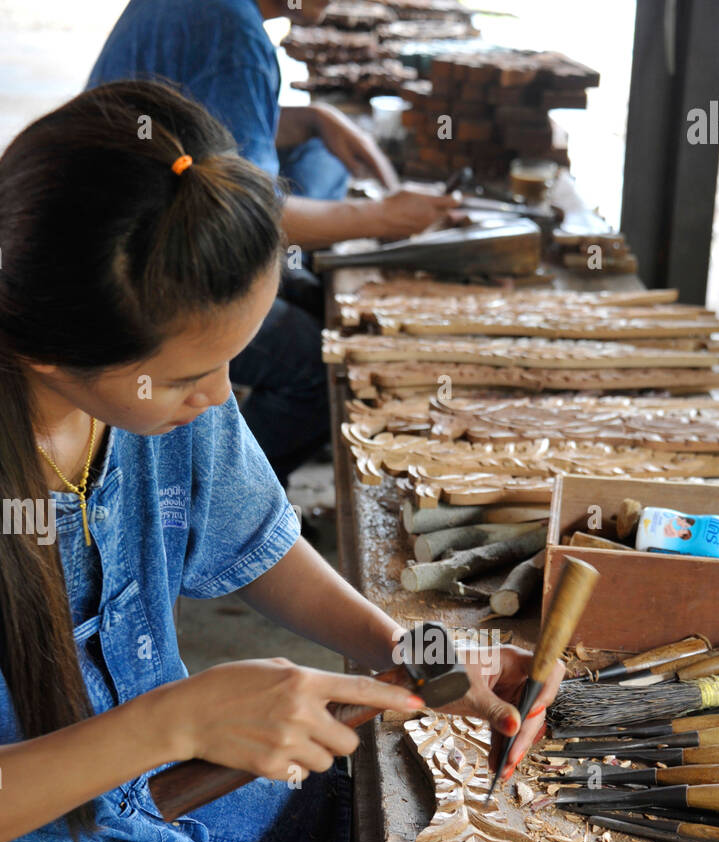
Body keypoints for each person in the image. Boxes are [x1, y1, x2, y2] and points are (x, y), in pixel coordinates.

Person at [0, 82, 560, 842]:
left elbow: (272, 555)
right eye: (193, 374)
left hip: (158, 803)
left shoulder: (153, 401)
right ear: (39, 352)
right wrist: (178, 719)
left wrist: (420, 656)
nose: (223, 395)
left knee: (431, 819)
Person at [88, 0, 457, 481]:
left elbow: (211, 123)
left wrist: (313, 120)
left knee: (315, 280)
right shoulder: (233, 34)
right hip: (132, 273)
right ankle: (205, 497)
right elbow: (251, 218)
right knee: (321, 369)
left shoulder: (220, 16)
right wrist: (382, 218)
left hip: (119, 227)